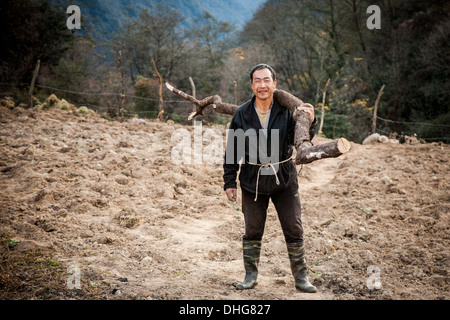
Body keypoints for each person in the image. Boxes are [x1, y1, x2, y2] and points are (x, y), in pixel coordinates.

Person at [223, 64, 317, 293]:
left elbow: (302, 137)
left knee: (294, 227)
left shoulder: (287, 110)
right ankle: (250, 275)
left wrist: (311, 121)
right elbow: (233, 150)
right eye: (257, 81)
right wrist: (229, 182)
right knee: (253, 229)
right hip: (252, 181)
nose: (262, 85)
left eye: (267, 80)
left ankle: (301, 277)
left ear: (274, 84)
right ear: (252, 85)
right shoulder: (242, 114)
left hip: (283, 178)